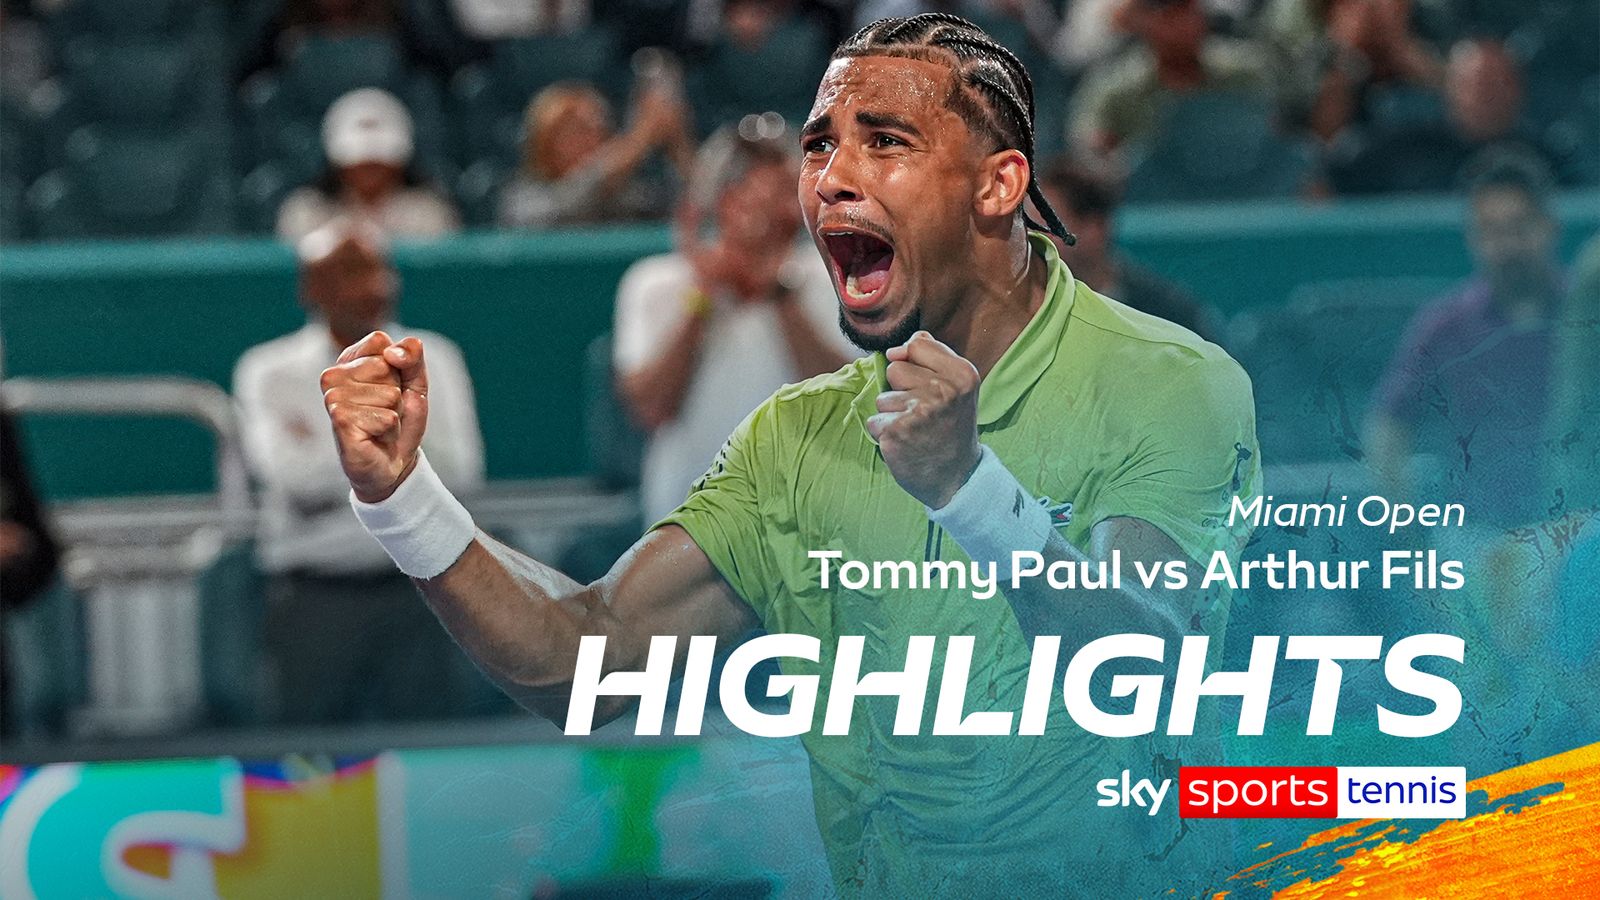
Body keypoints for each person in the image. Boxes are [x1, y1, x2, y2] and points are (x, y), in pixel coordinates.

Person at [319, 14, 1258, 895]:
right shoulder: (794, 438)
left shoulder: (1169, 381)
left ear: (998, 185)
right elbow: (583, 662)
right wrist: (403, 499)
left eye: (884, 141)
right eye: (820, 146)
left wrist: (970, 493)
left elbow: (1144, 668)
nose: (830, 179)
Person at [234, 220, 483, 724]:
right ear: (311, 288)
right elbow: (292, 480)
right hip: (315, 595)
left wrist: (341, 448)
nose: (371, 286)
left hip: (421, 593)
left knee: (433, 754)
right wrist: (399, 456)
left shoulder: (435, 356)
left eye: (378, 270)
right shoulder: (267, 370)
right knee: (305, 760)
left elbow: (461, 473)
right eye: (349, 272)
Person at [615, 118, 856, 523]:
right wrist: (702, 298)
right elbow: (651, 408)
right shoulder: (655, 283)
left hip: (807, 515)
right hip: (688, 515)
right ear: (717, 205)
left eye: (783, 198)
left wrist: (779, 293)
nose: (772, 216)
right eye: (750, 199)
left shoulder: (832, 278)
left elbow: (845, 405)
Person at [1366, 149, 1570, 528]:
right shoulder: (1444, 326)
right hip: (1476, 534)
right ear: (1472, 238)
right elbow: (1388, 429)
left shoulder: (1588, 314)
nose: (1507, 246)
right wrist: (1407, 529)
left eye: (1520, 226)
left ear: (1549, 227)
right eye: (1491, 230)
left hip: (1580, 529)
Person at [1327, 38, 1565, 195]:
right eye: (1474, 84)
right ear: (1450, 89)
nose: (1485, 95)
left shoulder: (1545, 159)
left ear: (1518, 90)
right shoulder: (1402, 147)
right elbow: (1333, 178)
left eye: (1496, 84)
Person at [1068, 0, 1273, 161]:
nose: (1182, 24)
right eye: (1169, 16)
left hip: (1240, 188)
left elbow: (1278, 132)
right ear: (1144, 22)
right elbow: (1088, 146)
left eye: (1187, 11)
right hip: (1153, 196)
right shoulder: (1116, 88)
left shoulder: (1244, 71)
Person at [1038, 157, 1218, 340]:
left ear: (1094, 229)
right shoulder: (1034, 312)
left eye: (1046, 226)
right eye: (1029, 224)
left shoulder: (1168, 314)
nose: (1033, 237)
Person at [499, 77, 694, 230]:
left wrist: (677, 144)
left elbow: (690, 213)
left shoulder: (625, 195)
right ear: (546, 140)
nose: (593, 140)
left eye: (600, 129)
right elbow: (570, 203)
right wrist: (641, 137)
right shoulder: (522, 199)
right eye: (580, 130)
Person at [276, 88, 461, 244]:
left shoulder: (429, 212)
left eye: (379, 163)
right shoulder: (306, 211)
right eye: (360, 164)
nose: (370, 171)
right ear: (336, 164)